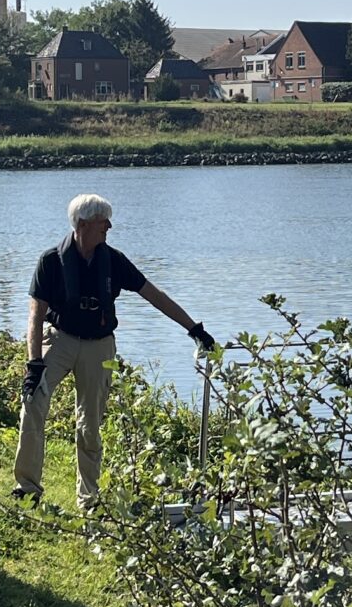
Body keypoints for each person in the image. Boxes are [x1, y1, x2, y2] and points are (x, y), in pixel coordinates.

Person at [13, 193, 216, 509]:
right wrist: (34, 363)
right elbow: (35, 315)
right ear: (82, 224)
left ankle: (88, 498)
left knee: (90, 423)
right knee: (33, 403)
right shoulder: (51, 261)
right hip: (61, 339)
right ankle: (27, 489)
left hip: (99, 346)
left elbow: (155, 295)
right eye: (102, 221)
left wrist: (194, 329)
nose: (109, 225)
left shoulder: (115, 261)